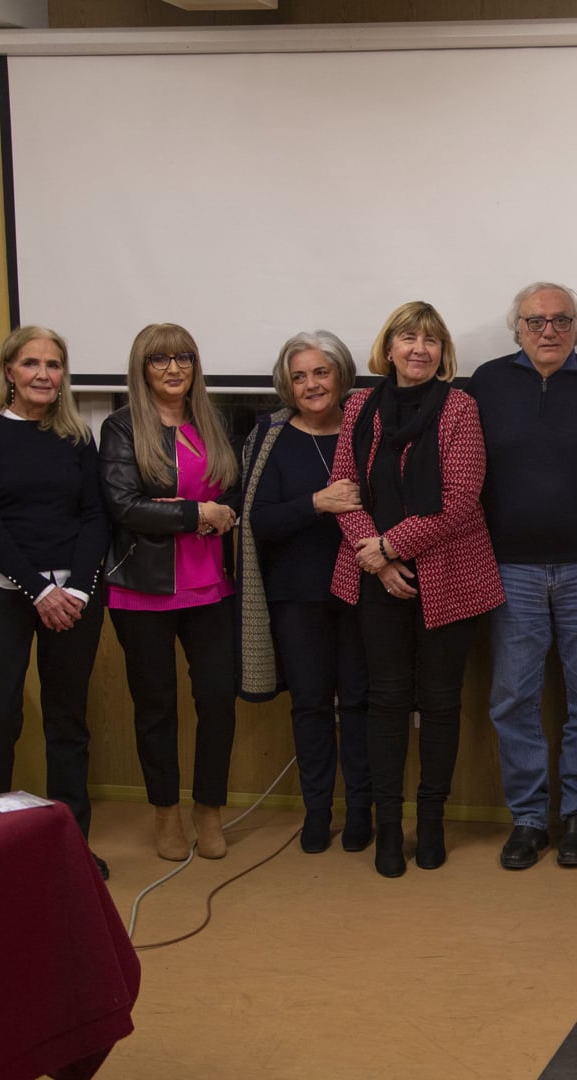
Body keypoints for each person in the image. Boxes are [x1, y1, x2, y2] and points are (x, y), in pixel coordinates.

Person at [468, 282, 577, 869]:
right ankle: (530, 819)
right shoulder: (484, 384)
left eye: (561, 319)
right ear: (516, 327)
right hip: (509, 567)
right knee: (513, 697)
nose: (548, 330)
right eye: (535, 320)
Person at [332, 301, 504, 878]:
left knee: (440, 702)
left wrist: (390, 546)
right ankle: (388, 828)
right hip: (376, 577)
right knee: (385, 702)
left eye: (431, 340)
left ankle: (430, 823)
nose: (419, 349)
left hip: (450, 576)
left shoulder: (460, 408)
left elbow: (458, 500)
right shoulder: (359, 405)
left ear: (443, 352)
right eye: (409, 338)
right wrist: (374, 557)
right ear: (390, 346)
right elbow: (343, 491)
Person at [0, 326, 111, 879]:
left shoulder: (76, 439)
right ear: (9, 373)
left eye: (54, 364)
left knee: (68, 723)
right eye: (31, 364)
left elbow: (96, 516)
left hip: (73, 597)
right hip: (1, 591)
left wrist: (76, 589)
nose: (44, 374)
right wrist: (38, 589)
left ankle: (71, 850)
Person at [101, 323, 241, 861]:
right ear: (142, 367)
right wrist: (194, 514)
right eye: (160, 360)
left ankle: (209, 809)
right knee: (155, 707)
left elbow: (232, 482)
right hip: (143, 589)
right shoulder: (119, 427)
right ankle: (166, 812)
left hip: (211, 584)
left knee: (216, 700)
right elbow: (123, 505)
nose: (174, 368)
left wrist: (218, 508)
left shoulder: (215, 419)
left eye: (184, 357)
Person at [239, 331, 372, 857]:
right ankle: (318, 812)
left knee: (361, 704)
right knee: (312, 706)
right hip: (296, 595)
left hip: (364, 589)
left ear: (341, 375)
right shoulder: (270, 437)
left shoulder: (367, 430)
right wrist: (317, 502)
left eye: (321, 372)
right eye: (299, 376)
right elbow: (259, 521)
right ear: (286, 384)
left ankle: (361, 811)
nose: (311, 384)